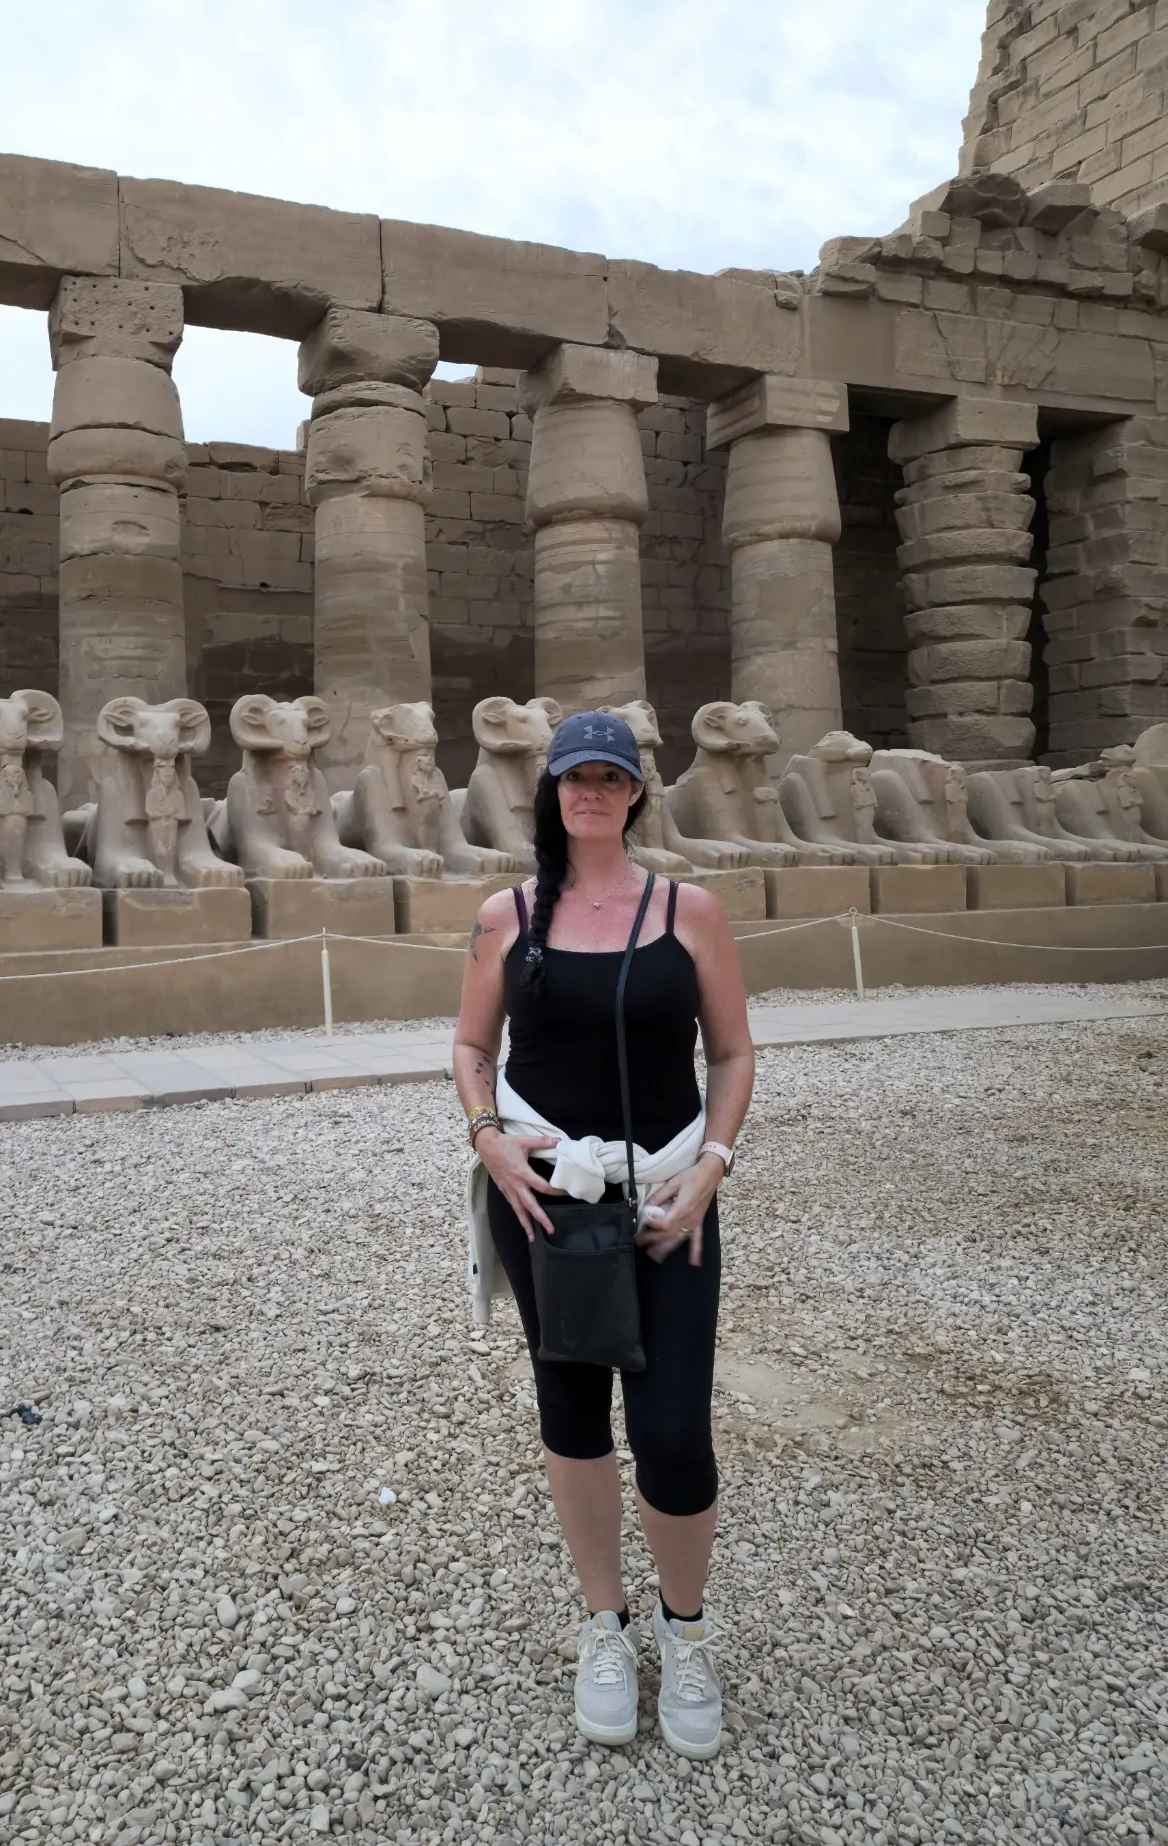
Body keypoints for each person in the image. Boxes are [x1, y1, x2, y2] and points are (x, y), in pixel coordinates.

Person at [453, 709, 755, 1757]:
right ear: (553, 790)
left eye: (610, 778)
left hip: (670, 1195)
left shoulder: (690, 910)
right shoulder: (506, 914)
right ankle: (604, 1624)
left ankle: (687, 1631)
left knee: (673, 1431)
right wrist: (488, 1137)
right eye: (575, 776)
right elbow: (470, 1046)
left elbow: (732, 1053)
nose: (591, 791)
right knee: (573, 1412)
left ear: (634, 793)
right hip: (547, 1198)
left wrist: (714, 1165)